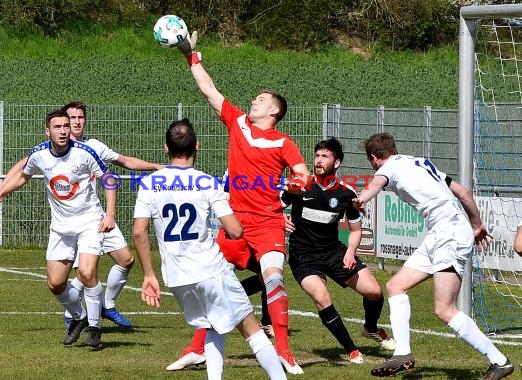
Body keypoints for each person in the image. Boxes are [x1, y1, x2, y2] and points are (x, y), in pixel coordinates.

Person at [174, 30, 310, 375]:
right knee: (208, 281)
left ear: (274, 111)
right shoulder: (238, 123)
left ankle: (284, 351)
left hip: (268, 223)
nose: (254, 101)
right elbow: (209, 89)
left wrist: (289, 187)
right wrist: (190, 55)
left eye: (262, 99)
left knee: (274, 279)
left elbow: (303, 175)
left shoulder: (283, 142)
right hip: (233, 222)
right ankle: (196, 349)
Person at [0, 100, 163, 329]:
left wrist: (155, 166)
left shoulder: (93, 147)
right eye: (70, 119)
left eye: (79, 118)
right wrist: (0, 191)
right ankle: (77, 315)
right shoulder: (45, 151)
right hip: (68, 223)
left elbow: (124, 161)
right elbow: (22, 168)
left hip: (95, 217)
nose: (74, 123)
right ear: (56, 126)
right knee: (82, 272)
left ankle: (106, 306)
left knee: (126, 260)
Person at [132, 118, 287, 380]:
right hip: (211, 269)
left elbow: (138, 231)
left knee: (212, 325)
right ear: (198, 147)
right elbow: (235, 230)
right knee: (254, 332)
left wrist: (149, 275)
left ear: (165, 149)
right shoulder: (206, 182)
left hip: (178, 277)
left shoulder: (150, 183)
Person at [352, 133, 514, 379]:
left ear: (375, 158)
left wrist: (361, 199)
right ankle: (403, 353)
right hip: (442, 233)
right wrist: (477, 226)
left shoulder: (388, 167)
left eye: (372, 162)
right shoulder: (422, 163)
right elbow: (464, 193)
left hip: (448, 234)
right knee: (396, 285)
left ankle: (499, 361)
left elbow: (375, 185)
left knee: (444, 309)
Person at [0, 109, 116, 349]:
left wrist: (110, 214)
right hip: (60, 227)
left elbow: (108, 179)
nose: (64, 131)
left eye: (66, 126)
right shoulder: (39, 154)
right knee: (55, 283)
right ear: (48, 131)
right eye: (58, 127)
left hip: (89, 222)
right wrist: (1, 192)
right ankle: (79, 317)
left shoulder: (85, 153)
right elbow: (23, 176)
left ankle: (95, 328)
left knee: (86, 273)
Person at [281, 138, 395, 365]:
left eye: (325, 156)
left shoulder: (346, 193)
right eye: (317, 156)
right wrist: (277, 217)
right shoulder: (299, 185)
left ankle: (370, 329)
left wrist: (351, 251)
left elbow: (355, 229)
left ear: (337, 162)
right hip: (303, 256)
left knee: (374, 291)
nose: (318, 160)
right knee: (322, 297)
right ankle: (352, 350)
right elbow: (270, 206)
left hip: (334, 252)